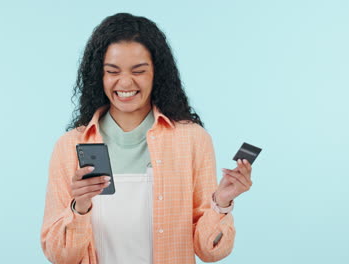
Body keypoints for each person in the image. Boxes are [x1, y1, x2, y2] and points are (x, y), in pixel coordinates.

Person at [40, 12, 253, 264]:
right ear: (100, 75)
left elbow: (210, 251)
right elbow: (59, 256)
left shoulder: (192, 140)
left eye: (138, 71)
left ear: (157, 73)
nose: (125, 82)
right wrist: (80, 206)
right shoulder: (70, 146)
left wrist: (221, 202)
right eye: (112, 71)